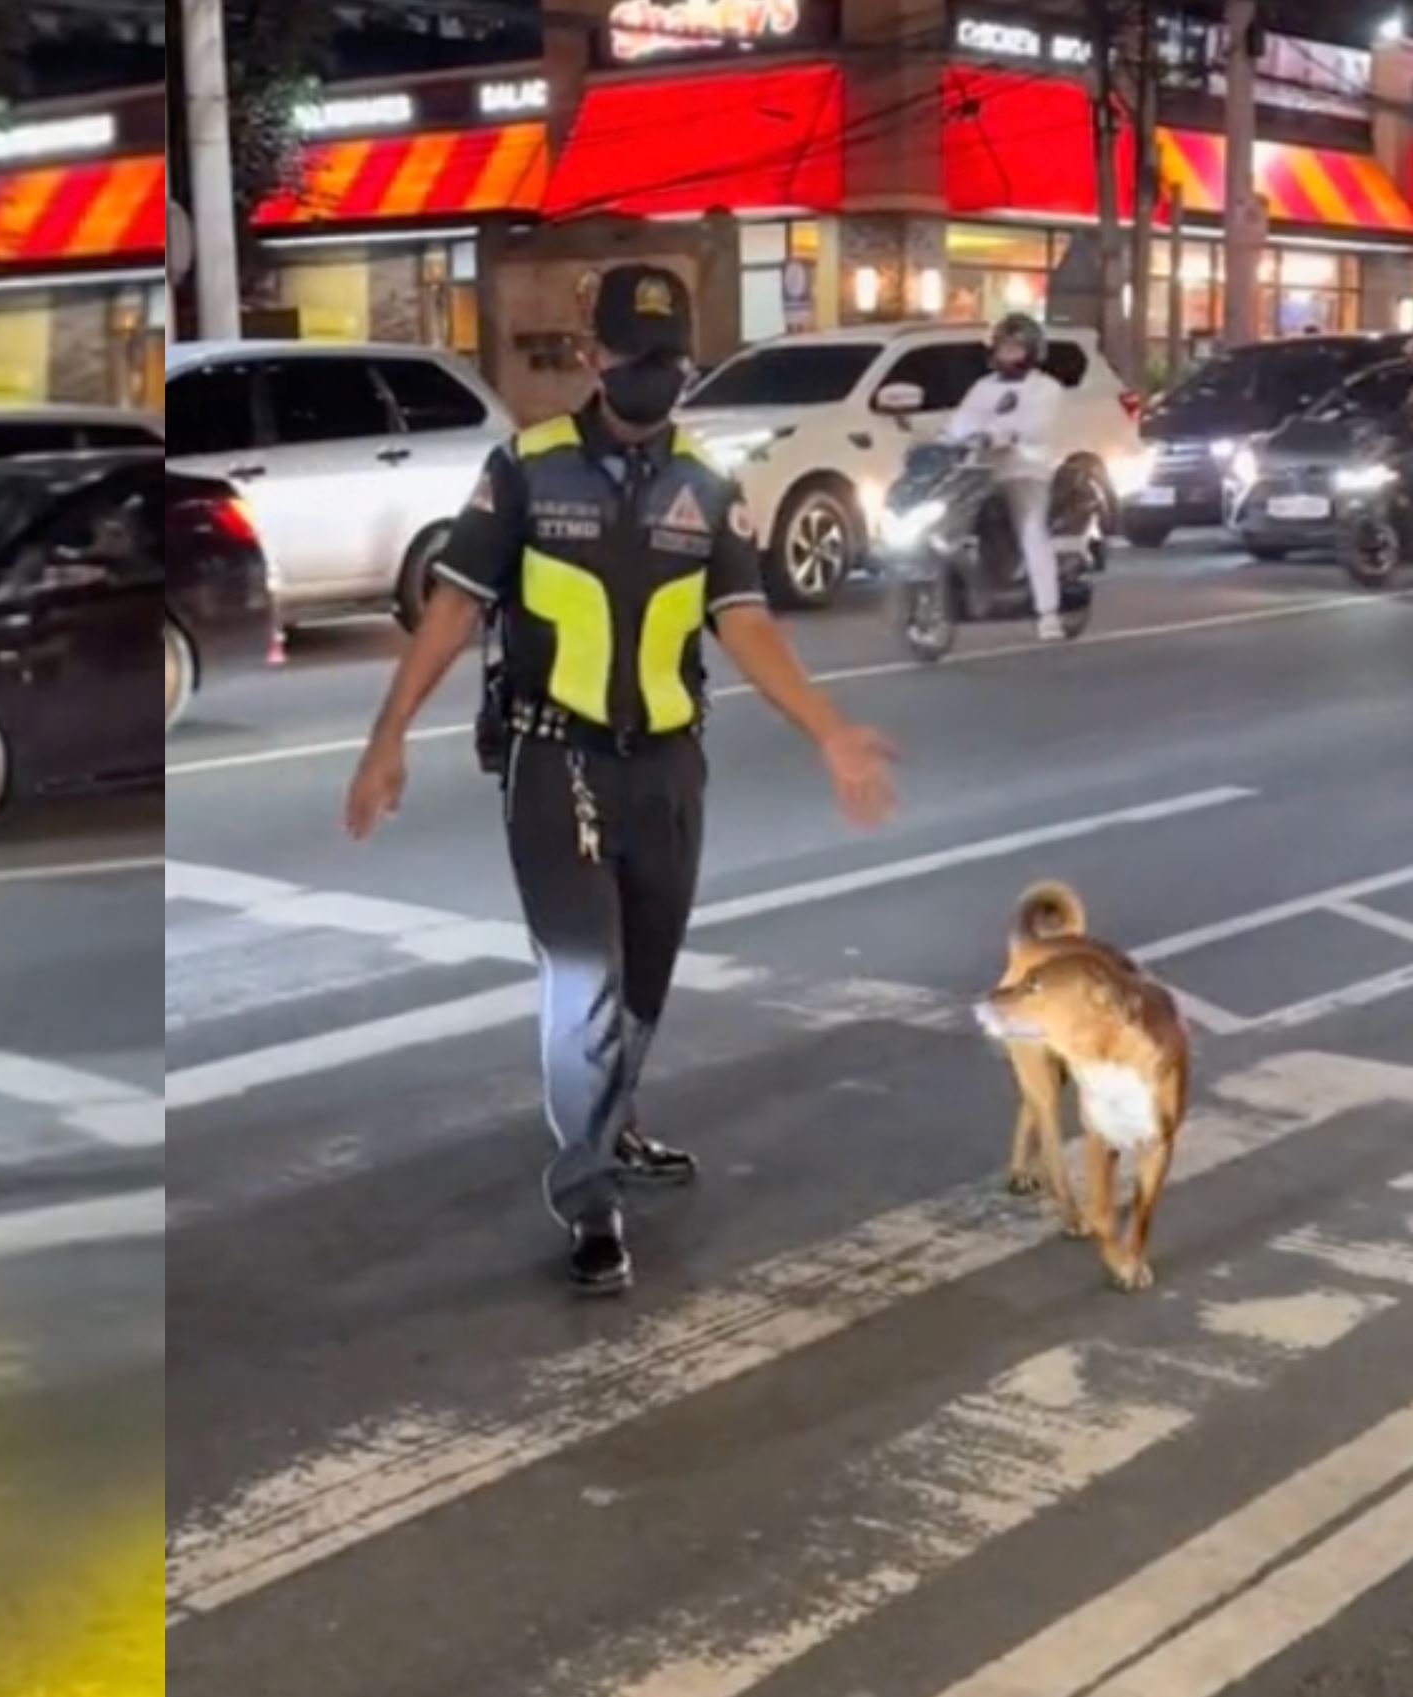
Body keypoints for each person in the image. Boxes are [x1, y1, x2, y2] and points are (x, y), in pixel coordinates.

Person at [342, 265, 899, 1297]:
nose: (655, 375)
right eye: (636, 356)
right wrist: (389, 736)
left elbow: (744, 620)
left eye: (671, 359)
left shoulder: (707, 484)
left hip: (670, 765)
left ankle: (613, 1119)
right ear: (591, 356)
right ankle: (589, 1195)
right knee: (583, 979)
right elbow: (454, 608)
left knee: (643, 977)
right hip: (556, 758)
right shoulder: (526, 470)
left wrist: (828, 731)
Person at [947, 312, 1068, 642]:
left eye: (1015, 348)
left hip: (1024, 469)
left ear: (1032, 352)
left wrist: (1005, 435)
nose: (1007, 354)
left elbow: (1035, 426)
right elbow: (960, 422)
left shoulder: (1046, 388)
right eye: (1003, 347)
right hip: (980, 470)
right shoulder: (983, 387)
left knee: (1031, 530)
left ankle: (1048, 613)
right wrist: (952, 439)